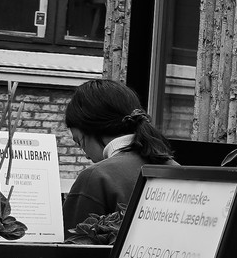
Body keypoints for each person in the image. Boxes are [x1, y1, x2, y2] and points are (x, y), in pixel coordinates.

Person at [61, 79, 174, 230]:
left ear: (92, 128)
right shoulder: (176, 169)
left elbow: (68, 250)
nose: (87, 156)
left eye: (79, 142)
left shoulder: (96, 177)